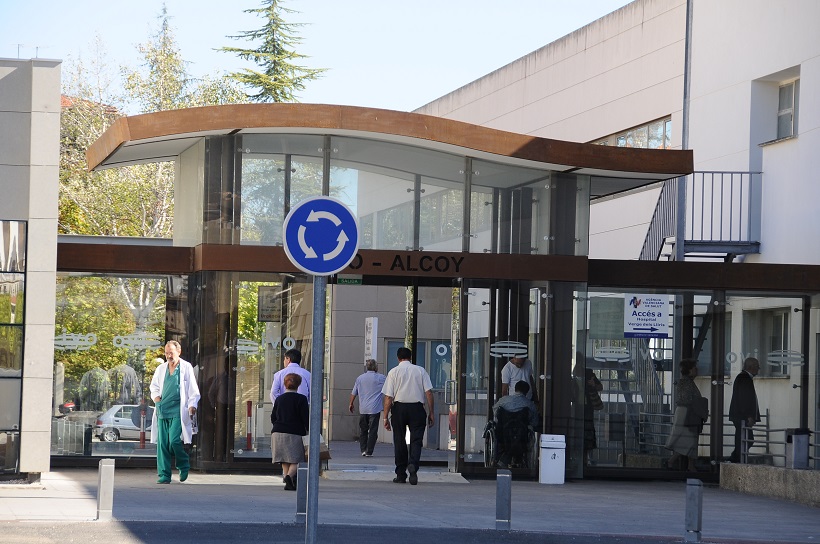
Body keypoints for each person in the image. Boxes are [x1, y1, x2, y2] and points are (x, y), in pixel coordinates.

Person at [149, 340, 201, 484]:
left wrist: (192, 405)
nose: (168, 356)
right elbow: (154, 386)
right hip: (162, 409)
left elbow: (193, 389)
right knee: (162, 443)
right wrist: (157, 399)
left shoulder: (186, 367)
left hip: (178, 410)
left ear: (179, 351)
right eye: (166, 353)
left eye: (171, 352)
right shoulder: (161, 368)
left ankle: (183, 463)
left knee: (173, 441)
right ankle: (164, 475)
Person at [382, 347, 434, 485]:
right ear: (410, 357)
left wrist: (385, 417)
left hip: (399, 408)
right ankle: (413, 466)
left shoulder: (393, 372)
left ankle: (400, 474)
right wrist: (431, 413)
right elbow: (429, 393)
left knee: (399, 440)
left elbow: (388, 397)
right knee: (416, 440)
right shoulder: (420, 371)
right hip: (417, 408)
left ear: (398, 358)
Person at [665, 358, 707, 471]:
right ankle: (682, 463)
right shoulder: (686, 382)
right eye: (694, 368)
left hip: (687, 413)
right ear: (689, 370)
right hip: (687, 414)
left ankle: (687, 464)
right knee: (689, 439)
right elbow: (688, 399)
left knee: (688, 439)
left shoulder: (686, 382)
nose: (697, 370)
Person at [271, 373, 310, 491]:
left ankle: (288, 480)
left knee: (284, 457)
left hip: (277, 432)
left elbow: (273, 417)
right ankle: (289, 476)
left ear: (284, 384)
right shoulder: (301, 399)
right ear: (298, 385)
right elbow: (305, 417)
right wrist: (309, 430)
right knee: (297, 458)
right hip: (295, 432)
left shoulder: (279, 399)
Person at [492, 380, 539, 468]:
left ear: (515, 389)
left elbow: (495, 412)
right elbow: (534, 422)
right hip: (521, 433)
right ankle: (517, 458)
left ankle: (505, 458)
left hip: (503, 431)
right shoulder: (529, 404)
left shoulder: (503, 400)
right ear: (526, 392)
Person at [349, 358, 386, 457]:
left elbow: (354, 393)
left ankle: (363, 449)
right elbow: (389, 390)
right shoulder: (381, 378)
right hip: (375, 409)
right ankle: (369, 451)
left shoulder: (360, 378)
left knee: (363, 430)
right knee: (373, 431)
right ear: (376, 367)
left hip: (363, 409)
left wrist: (351, 404)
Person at [729, 357, 760, 463]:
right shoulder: (745, 378)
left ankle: (736, 459)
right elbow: (744, 398)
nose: (758, 369)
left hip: (740, 415)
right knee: (745, 440)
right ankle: (735, 459)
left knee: (744, 439)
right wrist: (748, 416)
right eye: (757, 366)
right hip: (742, 416)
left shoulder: (743, 377)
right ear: (750, 367)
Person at [572, 362, 603, 465]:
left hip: (587, 408)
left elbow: (600, 387)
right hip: (577, 408)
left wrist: (594, 385)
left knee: (587, 433)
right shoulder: (572, 380)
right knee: (578, 434)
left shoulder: (590, 375)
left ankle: (586, 460)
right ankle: (579, 459)